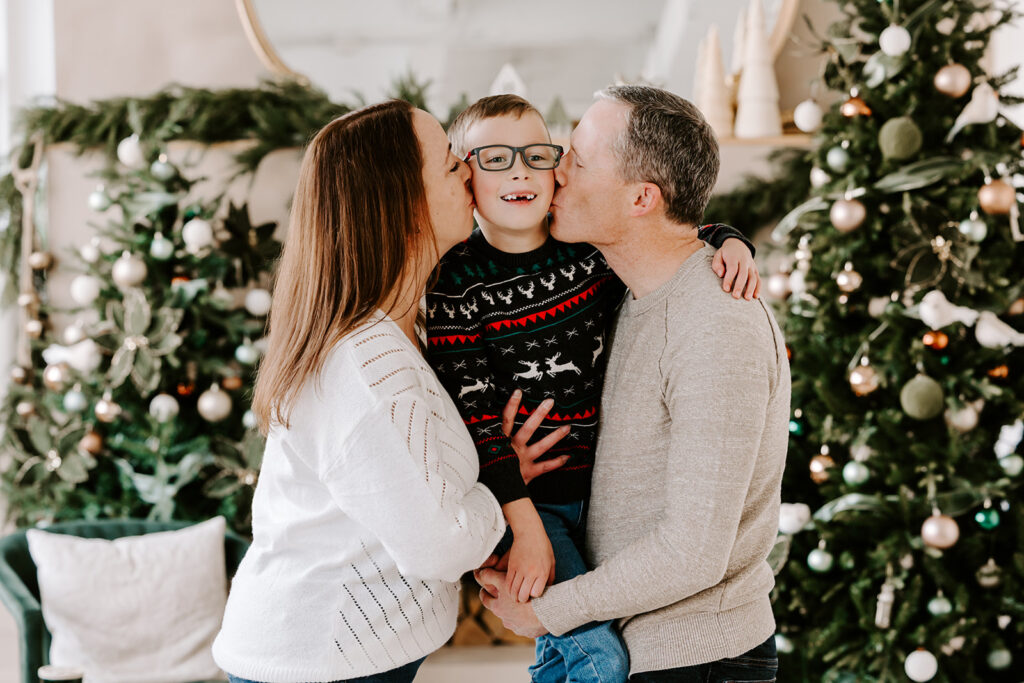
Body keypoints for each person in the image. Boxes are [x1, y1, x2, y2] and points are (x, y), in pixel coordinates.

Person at [426, 94, 761, 683]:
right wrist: (517, 508)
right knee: (586, 660)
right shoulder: (461, 281)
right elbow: (471, 412)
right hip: (543, 505)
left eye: (557, 156)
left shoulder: (623, 272)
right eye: (496, 159)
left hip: (691, 648)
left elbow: (694, 549)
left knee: (578, 657)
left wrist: (732, 240)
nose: (540, 172)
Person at [212, 100, 538, 683]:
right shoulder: (365, 362)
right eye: (447, 164)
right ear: (402, 203)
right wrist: (508, 487)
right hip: (314, 660)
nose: (469, 169)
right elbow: (440, 546)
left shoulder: (408, 328)